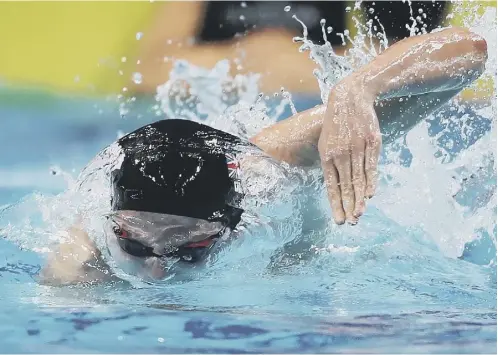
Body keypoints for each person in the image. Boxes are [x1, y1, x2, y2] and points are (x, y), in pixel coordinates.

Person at [38, 27, 487, 286]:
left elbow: (470, 50)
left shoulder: (277, 167)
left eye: (192, 251)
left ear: (238, 218)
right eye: (133, 246)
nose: (157, 272)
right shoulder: (84, 256)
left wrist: (358, 87)